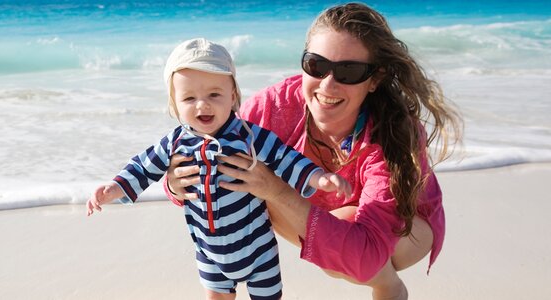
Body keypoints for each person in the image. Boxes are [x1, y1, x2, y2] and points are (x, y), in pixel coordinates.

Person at [164, 3, 463, 300]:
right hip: (317, 211)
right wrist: (176, 185)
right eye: (317, 66)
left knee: (344, 241)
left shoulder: (391, 132)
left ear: (375, 79)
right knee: (245, 176)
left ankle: (389, 286)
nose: (328, 85)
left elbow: (368, 254)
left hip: (405, 230)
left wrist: (277, 191)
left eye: (349, 71)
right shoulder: (275, 106)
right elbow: (205, 154)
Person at [86, 38, 352, 300]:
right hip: (210, 254)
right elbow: (142, 168)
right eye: (189, 98)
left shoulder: (248, 136)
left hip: (258, 250)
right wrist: (115, 187)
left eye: (214, 94)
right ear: (174, 104)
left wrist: (318, 178)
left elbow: (285, 158)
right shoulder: (174, 144)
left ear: (233, 95)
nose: (203, 104)